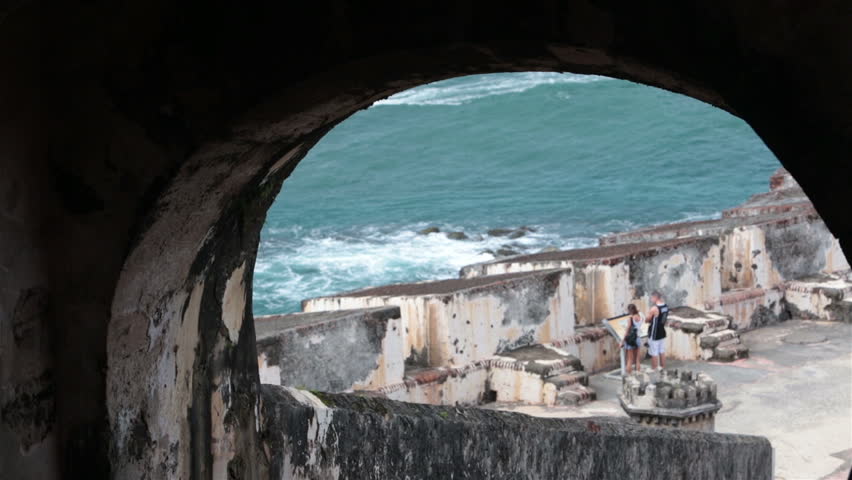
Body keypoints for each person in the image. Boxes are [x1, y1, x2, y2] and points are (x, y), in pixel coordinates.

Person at [646, 291, 670, 371]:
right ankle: (662, 368)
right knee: (662, 351)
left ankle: (654, 369)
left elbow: (647, 319)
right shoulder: (665, 306)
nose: (651, 299)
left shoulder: (654, 308)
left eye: (652, 297)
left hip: (654, 333)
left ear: (656, 297)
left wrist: (646, 318)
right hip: (662, 332)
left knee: (654, 352)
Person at [620, 304, 644, 375]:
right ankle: (638, 374)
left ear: (629, 310)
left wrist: (622, 340)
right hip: (638, 338)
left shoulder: (631, 318)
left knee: (630, 360)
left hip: (631, 339)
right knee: (637, 360)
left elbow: (627, 330)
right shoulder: (640, 316)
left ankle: (629, 377)